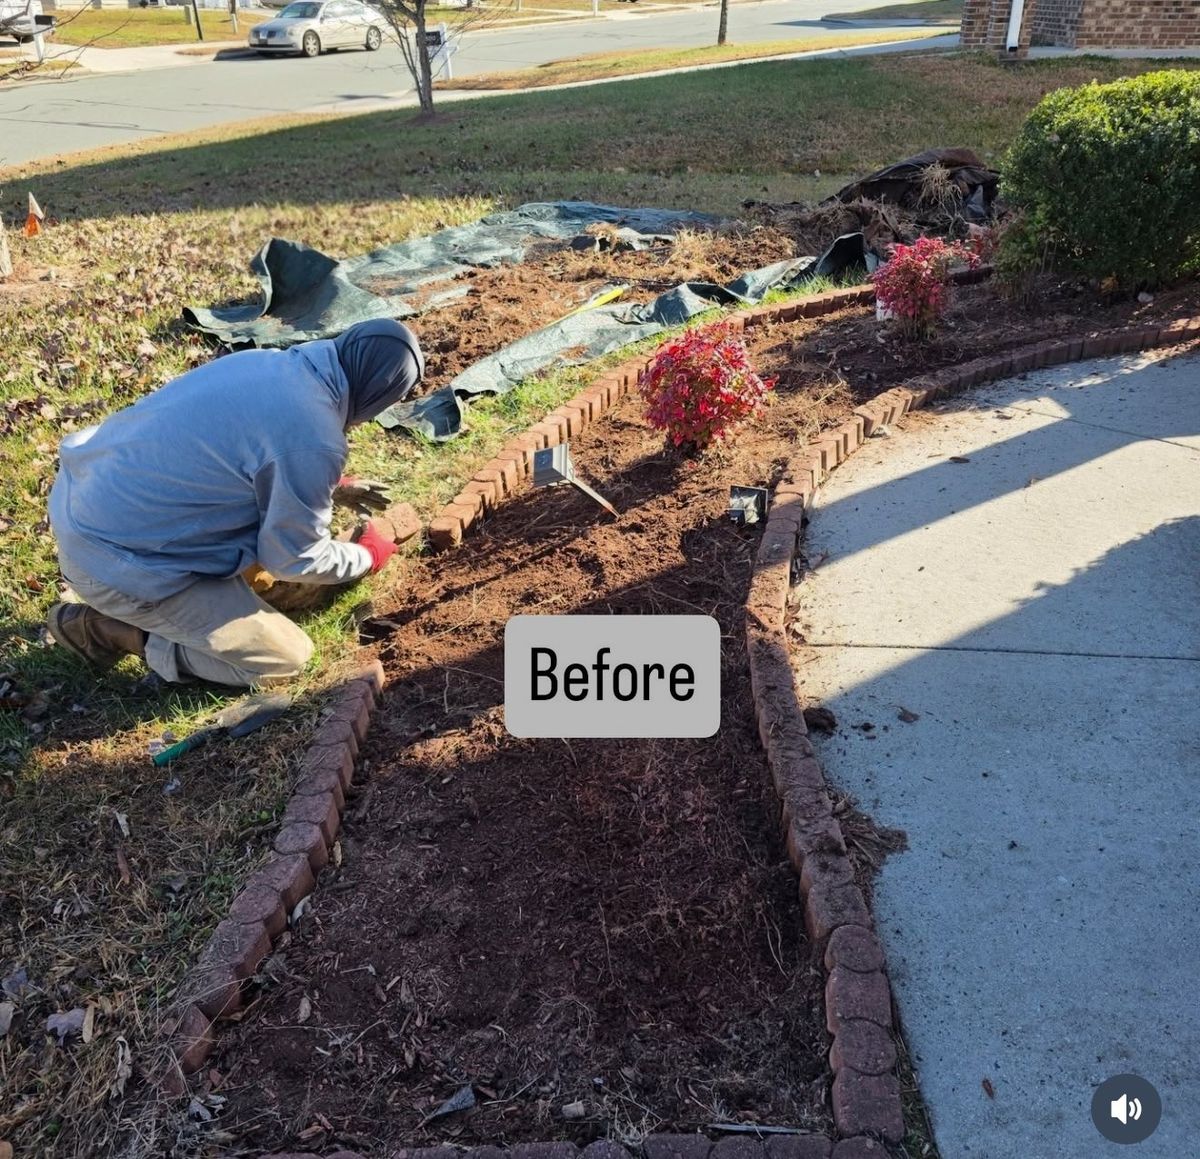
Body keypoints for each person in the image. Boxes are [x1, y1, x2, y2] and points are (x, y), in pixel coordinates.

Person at [45, 319, 424, 689]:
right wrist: (365, 557)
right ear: (379, 395)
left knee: (264, 581)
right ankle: (110, 631)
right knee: (286, 661)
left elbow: (218, 448)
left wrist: (329, 485)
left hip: (87, 501)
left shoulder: (264, 362)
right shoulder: (313, 437)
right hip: (118, 562)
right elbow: (293, 559)